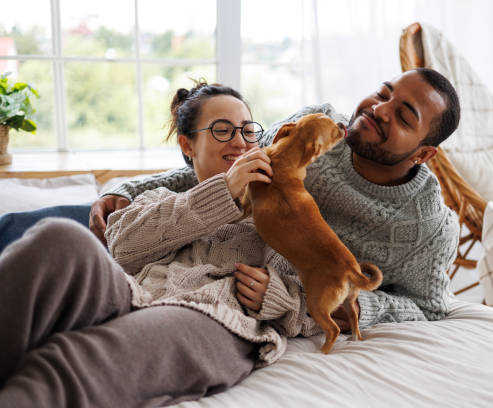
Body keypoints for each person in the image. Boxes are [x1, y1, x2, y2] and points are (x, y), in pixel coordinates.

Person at [0, 80, 299, 407]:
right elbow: (123, 248)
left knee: (73, 360)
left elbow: (315, 295)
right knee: (58, 238)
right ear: (187, 145)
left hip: (213, 318)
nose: (240, 141)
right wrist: (223, 192)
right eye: (223, 130)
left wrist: (279, 297)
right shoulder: (159, 200)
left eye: (247, 130)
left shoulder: (275, 219)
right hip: (131, 294)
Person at [93, 67, 462, 327]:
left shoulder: (430, 228)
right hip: (179, 219)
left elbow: (428, 307)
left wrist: (335, 304)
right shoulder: (315, 126)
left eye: (403, 116)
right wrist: (125, 190)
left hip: (240, 272)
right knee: (65, 231)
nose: (378, 109)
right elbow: (233, 168)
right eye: (383, 93)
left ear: (423, 154)